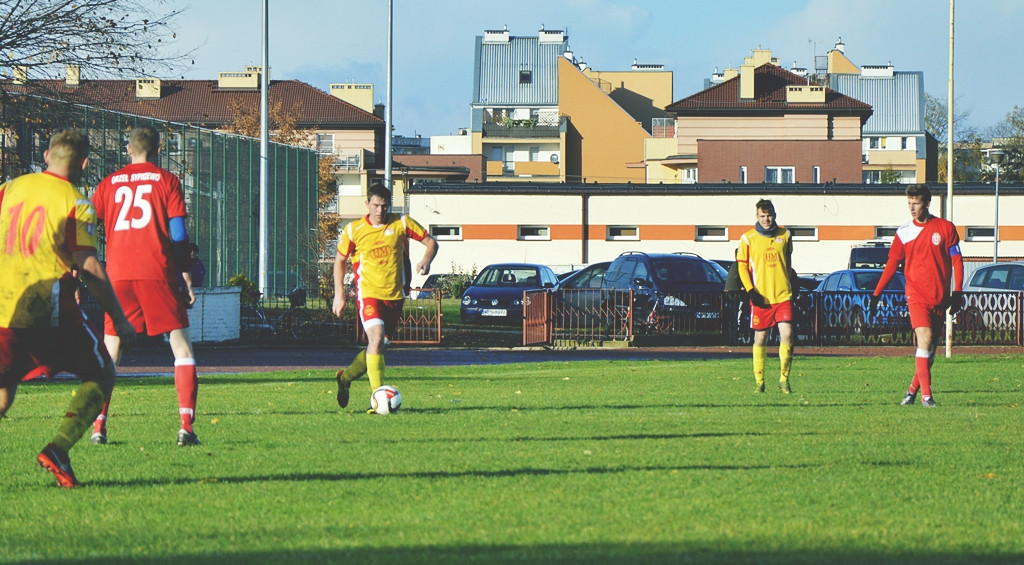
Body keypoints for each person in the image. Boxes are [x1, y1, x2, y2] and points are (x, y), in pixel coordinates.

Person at [0, 129, 136, 488]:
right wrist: (119, 319)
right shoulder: (76, 203)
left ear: (46, 156)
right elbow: (88, 265)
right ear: (85, 163)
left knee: (2, 389)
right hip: (49, 312)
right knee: (102, 373)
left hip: (3, 309)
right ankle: (58, 449)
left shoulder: (9, 190)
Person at [91, 125, 201, 445]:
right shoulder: (167, 180)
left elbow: (88, 224)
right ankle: (186, 428)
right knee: (180, 348)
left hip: (118, 276)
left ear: (128, 149)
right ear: (158, 151)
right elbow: (178, 234)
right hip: (158, 272)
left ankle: (98, 427)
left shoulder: (108, 183)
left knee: (112, 353)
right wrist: (185, 274)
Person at [332, 183, 438, 411]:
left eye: (384, 206)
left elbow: (431, 242)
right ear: (367, 204)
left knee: (378, 346)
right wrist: (339, 294)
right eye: (376, 205)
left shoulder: (401, 222)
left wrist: (426, 260)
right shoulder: (354, 230)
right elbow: (339, 261)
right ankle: (378, 399)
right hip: (369, 295)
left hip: (395, 297)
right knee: (376, 339)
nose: (380, 211)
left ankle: (345, 379)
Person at [870, 184, 963, 407]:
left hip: (939, 297)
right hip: (916, 295)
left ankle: (911, 392)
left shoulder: (945, 228)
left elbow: (957, 260)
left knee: (930, 350)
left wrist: (957, 292)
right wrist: (876, 294)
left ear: (927, 204)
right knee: (926, 339)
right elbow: (892, 264)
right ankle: (927, 397)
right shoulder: (903, 233)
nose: (912, 208)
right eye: (909, 204)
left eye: (916, 203)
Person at [736, 199, 795, 393]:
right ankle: (759, 382)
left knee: (787, 334)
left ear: (775, 215)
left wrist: (793, 284)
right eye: (762, 216)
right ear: (757, 216)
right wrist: (750, 290)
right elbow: (742, 266)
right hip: (761, 297)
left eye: (769, 215)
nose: (766, 219)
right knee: (760, 338)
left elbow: (787, 262)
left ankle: (784, 379)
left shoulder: (785, 235)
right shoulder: (747, 238)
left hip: (783, 295)